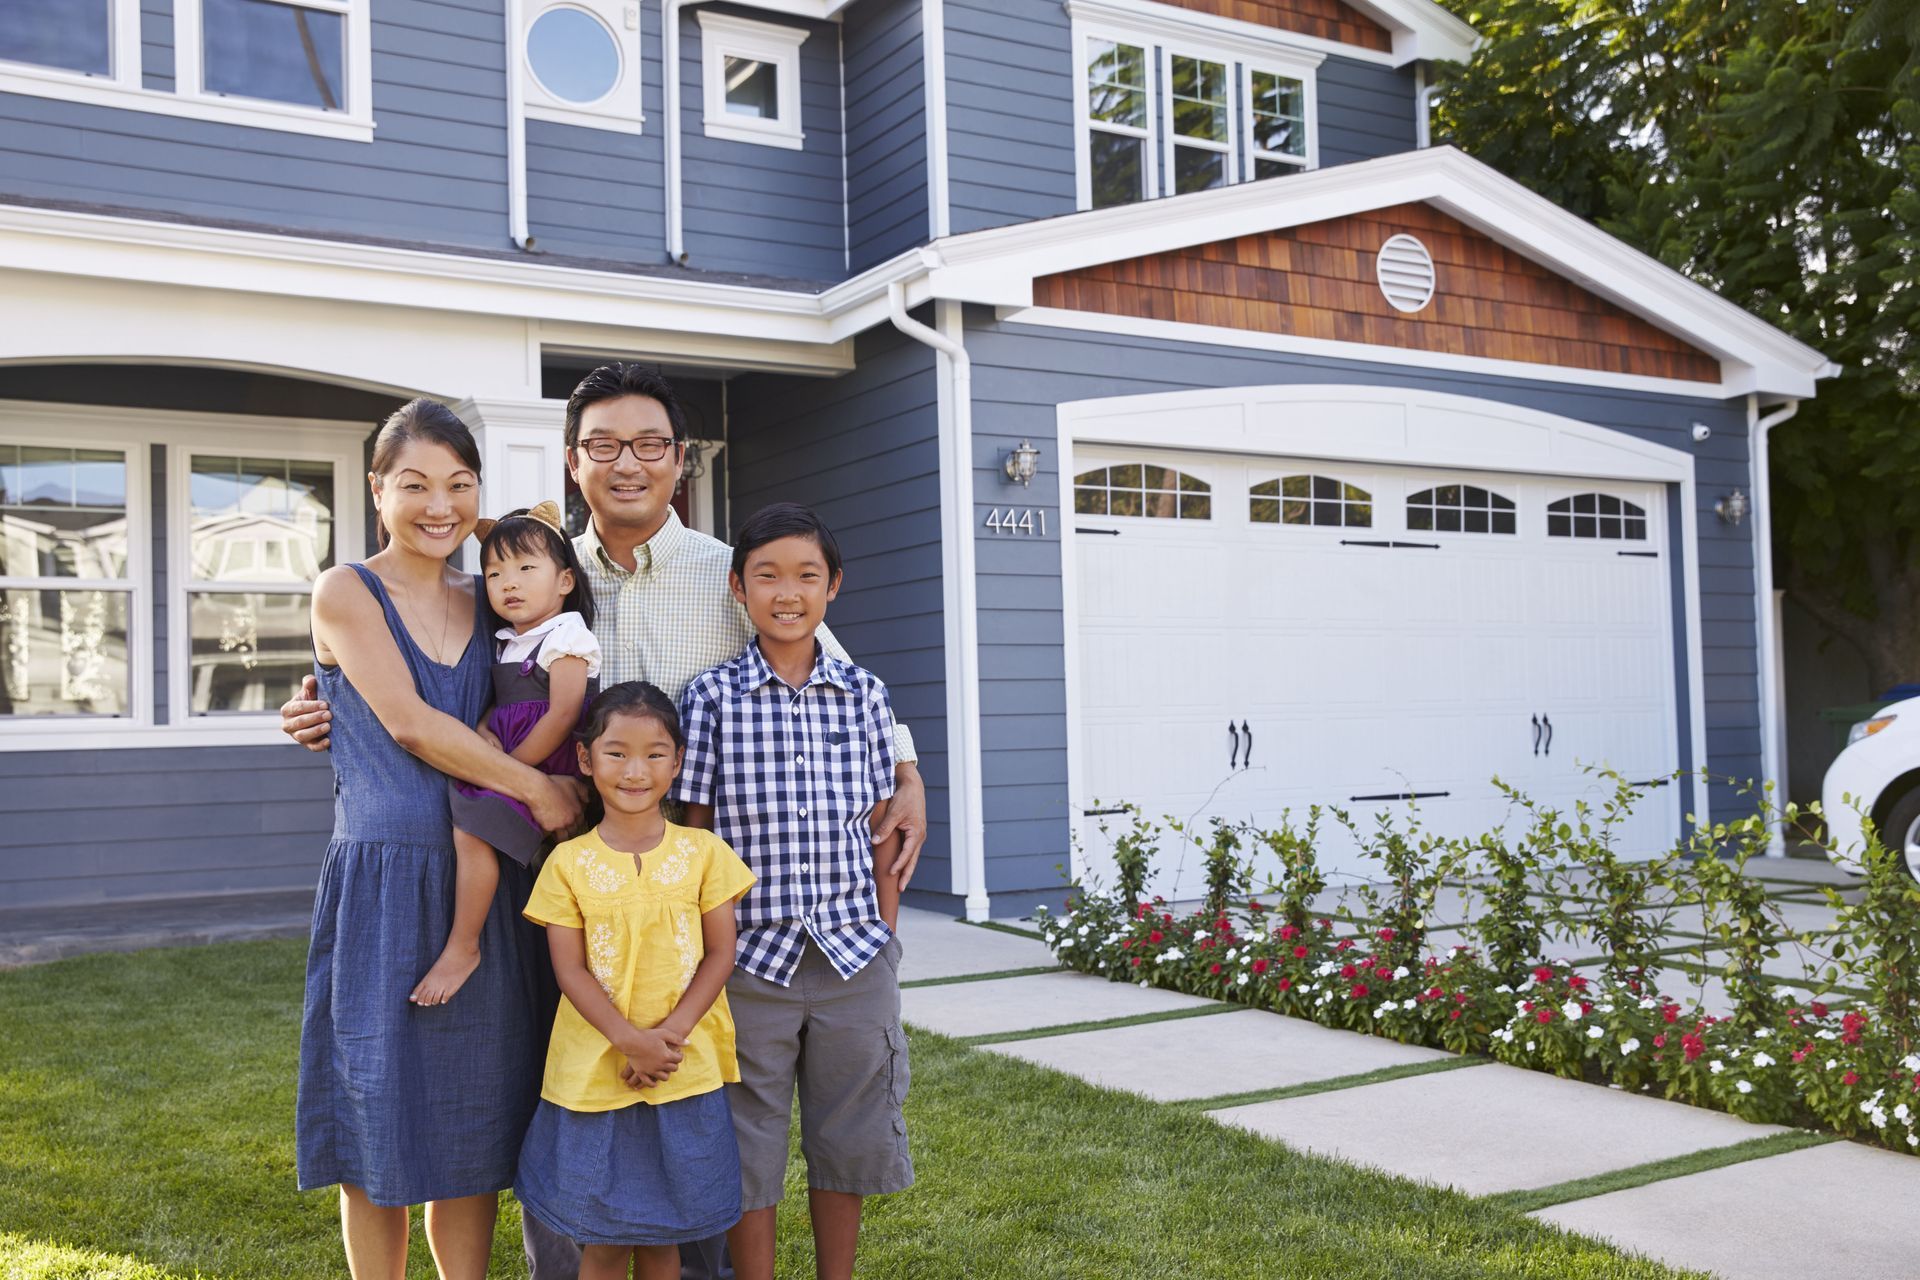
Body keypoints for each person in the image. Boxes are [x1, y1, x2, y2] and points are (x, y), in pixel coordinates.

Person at [281, 363, 930, 1279]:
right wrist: (321, 700)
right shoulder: (528, 573)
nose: (629, 464)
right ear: (572, 462)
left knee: (686, 1097)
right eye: (604, 446)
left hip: (679, 884)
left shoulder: (729, 575)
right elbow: (403, 679)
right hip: (550, 875)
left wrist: (905, 768)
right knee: (565, 1088)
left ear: (679, 460)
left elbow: (818, 655)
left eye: (651, 445)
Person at [297, 399, 584, 1280]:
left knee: (469, 1130)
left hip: (481, 885)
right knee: (374, 1128)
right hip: (383, 883)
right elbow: (412, 724)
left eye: (460, 486)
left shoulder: (493, 594)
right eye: (414, 484)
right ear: (377, 489)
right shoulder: (346, 589)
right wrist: (537, 785)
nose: (438, 505)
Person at [676, 503, 913, 1280]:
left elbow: (884, 829)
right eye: (767, 576)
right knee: (750, 1143)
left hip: (853, 956)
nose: (788, 592)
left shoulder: (865, 695)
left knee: (850, 1138)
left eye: (807, 575)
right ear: (738, 591)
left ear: (833, 587)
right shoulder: (711, 699)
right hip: (751, 960)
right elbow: (699, 835)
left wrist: (885, 935)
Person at [516, 682, 756, 1280]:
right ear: (585, 758)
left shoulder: (704, 852)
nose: (635, 770)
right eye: (617, 751)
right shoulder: (566, 863)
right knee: (601, 1238)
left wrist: (666, 1038)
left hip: (683, 1067)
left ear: (677, 762)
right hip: (597, 1074)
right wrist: (630, 1040)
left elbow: (721, 954)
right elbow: (569, 969)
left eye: (655, 753)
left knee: (663, 1238)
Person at [416, 501, 601, 1007]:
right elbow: (499, 705)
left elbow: (563, 715)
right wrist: (481, 731)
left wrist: (511, 770)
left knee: (472, 829)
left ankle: (463, 944)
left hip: (547, 763)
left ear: (564, 581)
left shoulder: (566, 635)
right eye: (494, 573)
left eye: (524, 568)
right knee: (471, 828)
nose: (507, 583)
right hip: (515, 762)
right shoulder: (506, 640)